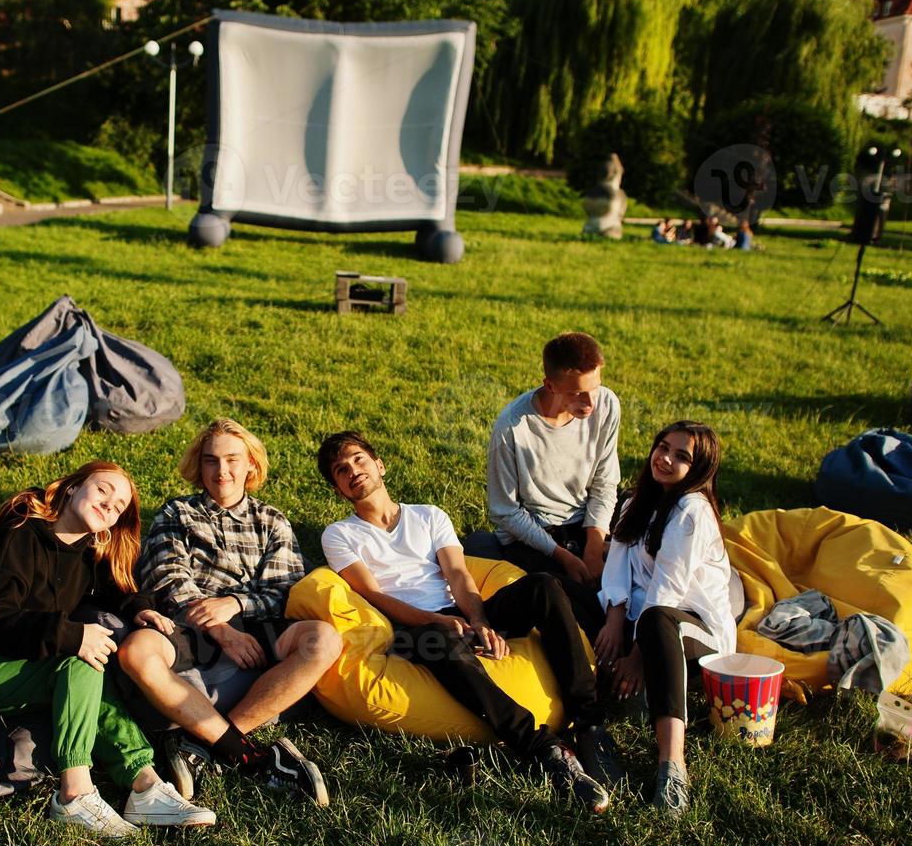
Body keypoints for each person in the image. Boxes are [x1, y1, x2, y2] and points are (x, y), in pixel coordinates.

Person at [317, 431, 619, 814]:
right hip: (414, 629)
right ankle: (542, 749)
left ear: (379, 465)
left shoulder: (429, 515)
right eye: (341, 471)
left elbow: (458, 574)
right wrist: (437, 622)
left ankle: (589, 722)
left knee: (542, 585)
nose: (353, 471)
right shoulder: (339, 534)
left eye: (359, 460)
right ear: (339, 489)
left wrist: (479, 620)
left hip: (462, 611)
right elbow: (376, 597)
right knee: (437, 640)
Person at [0, 461, 215, 837]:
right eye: (103, 489)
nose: (109, 504)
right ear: (72, 488)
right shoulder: (20, 533)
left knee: (91, 661)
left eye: (119, 505)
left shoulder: (86, 553)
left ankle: (145, 786)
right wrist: (71, 636)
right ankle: (74, 794)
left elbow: (115, 591)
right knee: (80, 658)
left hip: (3, 660)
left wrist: (142, 610)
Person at [118, 419, 340, 806]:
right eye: (211, 461)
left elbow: (285, 587)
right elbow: (165, 576)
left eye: (233, 460)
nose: (222, 471)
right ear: (199, 467)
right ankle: (241, 752)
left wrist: (236, 604)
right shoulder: (177, 513)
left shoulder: (272, 521)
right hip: (190, 621)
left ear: (251, 465)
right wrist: (222, 628)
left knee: (323, 640)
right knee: (136, 652)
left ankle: (208, 739)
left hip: (257, 624)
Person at [589, 422, 744, 817]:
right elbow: (617, 567)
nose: (666, 458)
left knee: (658, 621)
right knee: (578, 597)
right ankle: (592, 708)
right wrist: (614, 617)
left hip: (696, 630)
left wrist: (637, 656)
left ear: (698, 469)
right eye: (663, 447)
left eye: (681, 456)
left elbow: (667, 593)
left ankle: (672, 766)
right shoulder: (637, 501)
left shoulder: (691, 512)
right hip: (646, 616)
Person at [477, 332, 618, 634]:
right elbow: (504, 511)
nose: (591, 402)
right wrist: (563, 556)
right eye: (577, 394)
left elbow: (605, 482)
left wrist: (593, 546)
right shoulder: (512, 427)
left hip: (587, 523)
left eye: (595, 387)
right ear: (550, 386)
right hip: (536, 535)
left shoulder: (606, 404)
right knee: (581, 606)